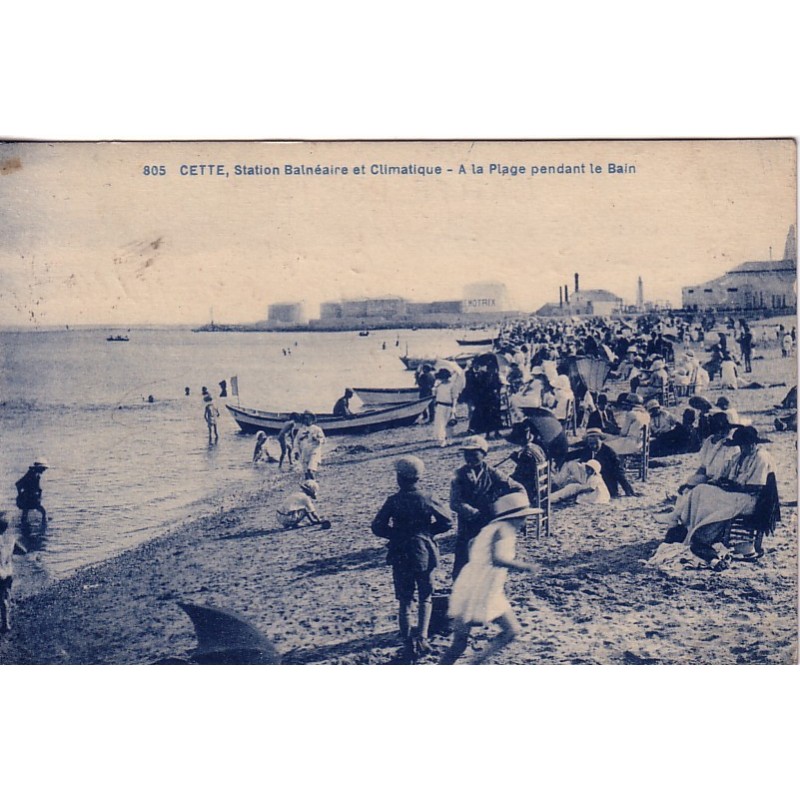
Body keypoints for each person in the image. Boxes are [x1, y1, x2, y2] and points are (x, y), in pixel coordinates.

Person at [439, 492, 538, 665]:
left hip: (474, 583)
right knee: (512, 630)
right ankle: (473, 663)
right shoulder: (503, 530)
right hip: (482, 588)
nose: (525, 521)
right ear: (514, 517)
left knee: (460, 643)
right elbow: (497, 558)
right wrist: (523, 566)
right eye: (523, 517)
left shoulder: (492, 528)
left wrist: (477, 564)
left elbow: (471, 543)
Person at [661, 426, 777, 568]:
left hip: (751, 499)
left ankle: (705, 534)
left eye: (748, 444)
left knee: (714, 500)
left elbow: (757, 487)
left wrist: (732, 486)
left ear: (754, 443)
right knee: (700, 490)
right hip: (736, 493)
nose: (745, 447)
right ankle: (689, 526)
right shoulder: (738, 457)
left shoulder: (761, 458)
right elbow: (725, 476)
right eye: (742, 445)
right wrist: (722, 482)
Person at [371, 456, 452, 659]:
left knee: (405, 600)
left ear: (399, 478)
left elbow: (377, 527)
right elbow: (447, 521)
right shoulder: (427, 497)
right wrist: (428, 532)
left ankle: (407, 641)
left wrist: (396, 535)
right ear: (419, 477)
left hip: (401, 553)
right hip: (424, 551)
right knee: (425, 596)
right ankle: (423, 637)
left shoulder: (393, 501)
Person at [449, 436, 523, 580]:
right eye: (466, 454)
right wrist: (474, 512)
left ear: (483, 454)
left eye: (474, 454)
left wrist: (514, 505)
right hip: (468, 523)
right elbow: (455, 502)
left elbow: (516, 487)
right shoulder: (458, 475)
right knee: (463, 558)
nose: (470, 458)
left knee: (486, 556)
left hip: (489, 521)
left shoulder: (492, 472)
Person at [556, 428, 637, 499]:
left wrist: (628, 490)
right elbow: (572, 455)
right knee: (570, 464)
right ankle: (556, 483)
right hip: (588, 479)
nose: (593, 446)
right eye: (591, 443)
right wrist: (558, 459)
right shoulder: (588, 449)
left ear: (601, 440)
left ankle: (554, 494)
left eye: (595, 443)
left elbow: (619, 472)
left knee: (571, 488)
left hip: (602, 484)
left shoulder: (609, 453)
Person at [0, 511, 27, 634]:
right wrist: (9, 553)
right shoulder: (10, 539)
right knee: (4, 598)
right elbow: (23, 551)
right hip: (8, 572)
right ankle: (6, 624)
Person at [15, 459, 49, 526]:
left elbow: (37, 488)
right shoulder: (31, 474)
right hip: (27, 498)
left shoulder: (36, 475)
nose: (44, 470)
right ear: (38, 468)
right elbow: (18, 484)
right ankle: (43, 525)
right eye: (43, 468)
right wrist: (20, 495)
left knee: (27, 513)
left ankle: (24, 526)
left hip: (31, 498)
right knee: (42, 512)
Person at [295, 411, 326, 480]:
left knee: (310, 470)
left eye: (309, 418)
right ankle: (309, 485)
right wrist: (296, 452)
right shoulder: (301, 430)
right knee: (306, 473)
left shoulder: (317, 429)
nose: (307, 420)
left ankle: (313, 484)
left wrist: (317, 439)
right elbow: (296, 442)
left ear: (312, 419)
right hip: (304, 453)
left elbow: (323, 440)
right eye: (305, 418)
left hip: (314, 451)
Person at [432, 368, 456, 447]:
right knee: (440, 424)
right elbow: (435, 395)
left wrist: (454, 408)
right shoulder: (439, 384)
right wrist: (435, 388)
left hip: (448, 405)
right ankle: (442, 440)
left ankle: (449, 439)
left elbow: (454, 397)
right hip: (440, 405)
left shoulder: (452, 385)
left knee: (449, 424)